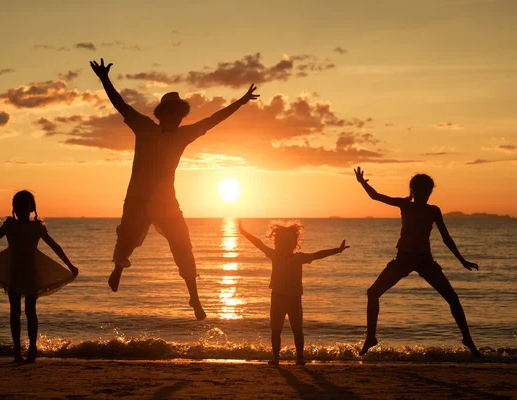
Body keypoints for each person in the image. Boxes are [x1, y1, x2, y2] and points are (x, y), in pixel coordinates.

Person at [90, 58, 260, 320]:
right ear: (163, 115)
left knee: (183, 245)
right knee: (127, 236)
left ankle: (194, 297)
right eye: (174, 115)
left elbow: (215, 119)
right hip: (137, 198)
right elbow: (120, 105)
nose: (178, 120)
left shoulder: (184, 135)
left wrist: (241, 101)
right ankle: (118, 269)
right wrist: (104, 79)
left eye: (181, 116)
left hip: (167, 202)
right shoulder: (144, 127)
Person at [354, 166, 481, 357]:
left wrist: (462, 260)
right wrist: (363, 183)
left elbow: (446, 238)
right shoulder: (406, 205)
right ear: (413, 191)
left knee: (452, 298)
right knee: (373, 293)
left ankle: (467, 339)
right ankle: (371, 338)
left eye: (429, 191)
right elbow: (376, 196)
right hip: (403, 259)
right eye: (422, 191)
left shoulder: (433, 211)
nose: (426, 194)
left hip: (424, 260)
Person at [0, 190, 78, 363]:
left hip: (31, 272)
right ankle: (17, 351)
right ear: (14, 208)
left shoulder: (37, 227)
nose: (20, 209)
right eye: (17, 206)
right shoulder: (10, 226)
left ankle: (32, 349)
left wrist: (70, 265)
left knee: (30, 311)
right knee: (15, 312)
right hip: (14, 272)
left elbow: (55, 246)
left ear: (32, 208)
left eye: (24, 206)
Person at [239, 220, 349, 365]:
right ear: (278, 243)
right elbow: (258, 243)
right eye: (281, 242)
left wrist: (337, 250)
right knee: (278, 329)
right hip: (280, 297)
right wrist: (244, 232)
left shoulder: (296, 257)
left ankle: (298, 358)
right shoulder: (280, 255)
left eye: (286, 242)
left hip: (292, 298)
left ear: (292, 244)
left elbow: (319, 254)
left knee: (295, 329)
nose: (282, 245)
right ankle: (280, 358)